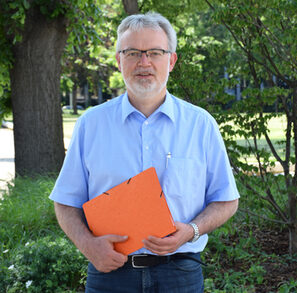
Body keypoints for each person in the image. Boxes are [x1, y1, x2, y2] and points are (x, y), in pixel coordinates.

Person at [50, 12, 239, 293]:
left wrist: (192, 231)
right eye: (133, 53)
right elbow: (65, 201)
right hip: (110, 273)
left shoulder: (201, 125)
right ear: (118, 60)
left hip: (180, 272)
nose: (144, 62)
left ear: (171, 60)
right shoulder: (91, 124)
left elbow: (226, 200)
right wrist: (88, 246)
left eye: (154, 52)